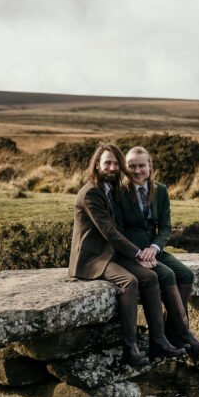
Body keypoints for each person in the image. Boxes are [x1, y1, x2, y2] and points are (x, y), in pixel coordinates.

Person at [68, 143, 187, 366]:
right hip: (92, 258)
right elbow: (110, 232)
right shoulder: (91, 192)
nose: (112, 167)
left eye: (116, 163)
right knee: (129, 281)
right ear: (97, 165)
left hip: (110, 254)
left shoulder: (110, 189)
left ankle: (159, 341)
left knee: (151, 277)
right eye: (107, 163)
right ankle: (130, 348)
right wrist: (138, 254)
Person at [115, 146, 199, 356]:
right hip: (133, 253)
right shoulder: (119, 193)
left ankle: (174, 332)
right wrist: (138, 253)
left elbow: (166, 227)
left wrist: (154, 247)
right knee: (167, 274)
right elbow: (118, 230)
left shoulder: (160, 190)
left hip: (154, 250)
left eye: (142, 165)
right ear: (125, 167)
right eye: (131, 166)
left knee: (186, 274)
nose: (137, 170)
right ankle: (182, 334)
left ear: (150, 166)